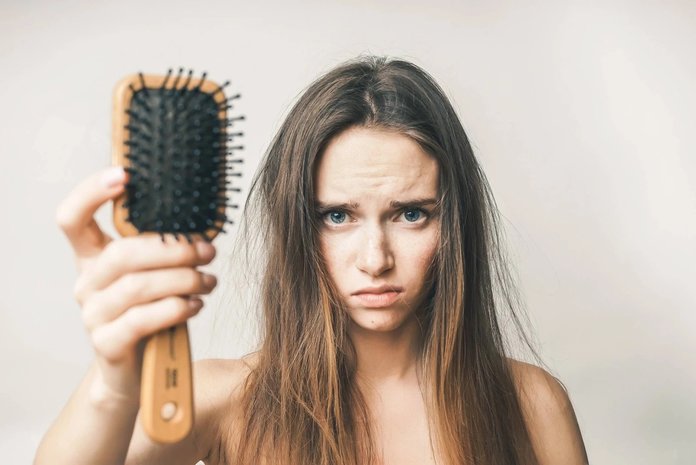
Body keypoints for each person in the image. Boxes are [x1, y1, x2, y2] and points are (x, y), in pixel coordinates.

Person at [34, 56, 588, 465]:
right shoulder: (224, 400)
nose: (375, 259)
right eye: (338, 216)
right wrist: (114, 379)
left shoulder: (531, 404)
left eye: (412, 214)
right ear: (298, 225)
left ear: (456, 223)